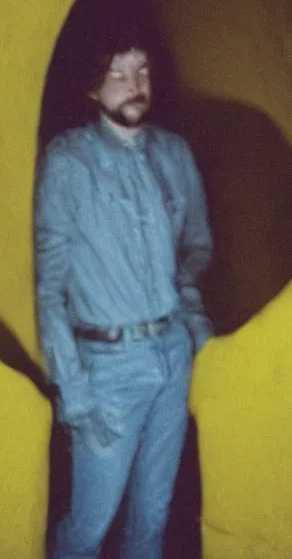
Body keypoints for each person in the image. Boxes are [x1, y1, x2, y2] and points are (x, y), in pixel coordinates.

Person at [34, 32, 213, 559]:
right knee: (90, 526)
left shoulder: (174, 153)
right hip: (108, 369)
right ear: (93, 87)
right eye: (117, 73)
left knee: (152, 523)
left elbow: (196, 248)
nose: (134, 85)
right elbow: (48, 288)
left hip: (173, 356)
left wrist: (196, 331)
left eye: (142, 71)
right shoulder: (69, 162)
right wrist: (75, 390)